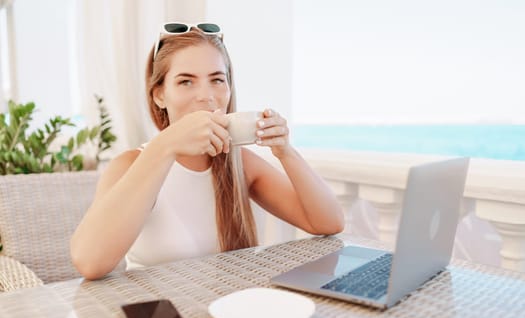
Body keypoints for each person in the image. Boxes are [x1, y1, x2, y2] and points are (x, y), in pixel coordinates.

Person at [70, 23, 345, 280]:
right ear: (159, 95)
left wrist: (285, 150)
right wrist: (165, 145)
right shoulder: (131, 164)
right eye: (186, 81)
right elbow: (90, 263)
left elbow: (328, 223)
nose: (206, 95)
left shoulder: (240, 164)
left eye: (216, 80)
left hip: (225, 312)